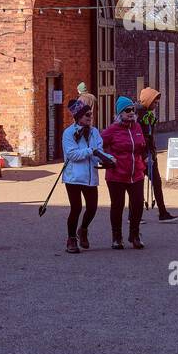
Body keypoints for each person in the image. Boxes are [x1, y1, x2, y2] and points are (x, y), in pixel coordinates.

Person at [61, 99, 113, 253]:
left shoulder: (95, 132)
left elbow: (99, 149)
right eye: (87, 114)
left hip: (90, 176)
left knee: (92, 207)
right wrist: (91, 151)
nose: (90, 117)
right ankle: (71, 239)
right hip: (73, 177)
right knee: (76, 208)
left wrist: (106, 159)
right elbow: (72, 154)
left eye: (91, 114)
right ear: (78, 117)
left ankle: (83, 229)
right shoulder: (69, 133)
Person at [101, 96, 147, 250]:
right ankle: (116, 237)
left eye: (133, 110)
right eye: (127, 110)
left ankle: (134, 235)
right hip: (117, 174)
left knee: (138, 203)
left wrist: (146, 157)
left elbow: (141, 146)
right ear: (120, 113)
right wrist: (108, 157)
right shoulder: (111, 130)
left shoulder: (137, 127)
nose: (131, 113)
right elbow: (99, 146)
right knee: (117, 205)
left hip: (136, 173)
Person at [136, 87, 178, 222]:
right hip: (144, 156)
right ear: (148, 101)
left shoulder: (147, 115)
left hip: (149, 154)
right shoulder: (141, 117)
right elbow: (142, 138)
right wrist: (146, 155)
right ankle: (137, 215)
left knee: (154, 183)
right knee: (140, 185)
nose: (156, 105)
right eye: (154, 102)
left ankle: (161, 212)